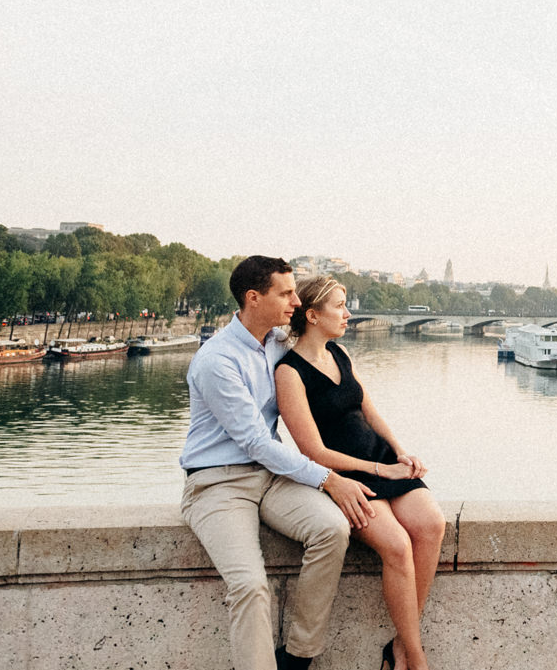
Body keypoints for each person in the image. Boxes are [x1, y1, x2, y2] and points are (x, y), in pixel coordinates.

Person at [179, 256, 378, 670]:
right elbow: (254, 440)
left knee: (332, 529)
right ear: (254, 298)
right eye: (286, 293)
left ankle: (299, 656)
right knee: (250, 586)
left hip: (270, 477)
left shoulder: (279, 345)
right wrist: (329, 478)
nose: (294, 300)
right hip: (218, 484)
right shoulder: (217, 360)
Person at [276, 275, 445, 670]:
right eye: (340, 305)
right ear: (313, 315)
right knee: (398, 546)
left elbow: (370, 412)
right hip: (347, 474)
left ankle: (401, 646)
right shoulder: (289, 373)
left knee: (432, 525)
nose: (349, 313)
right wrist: (377, 469)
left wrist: (401, 453)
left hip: (380, 458)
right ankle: (414, 656)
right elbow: (312, 451)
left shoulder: (340, 354)